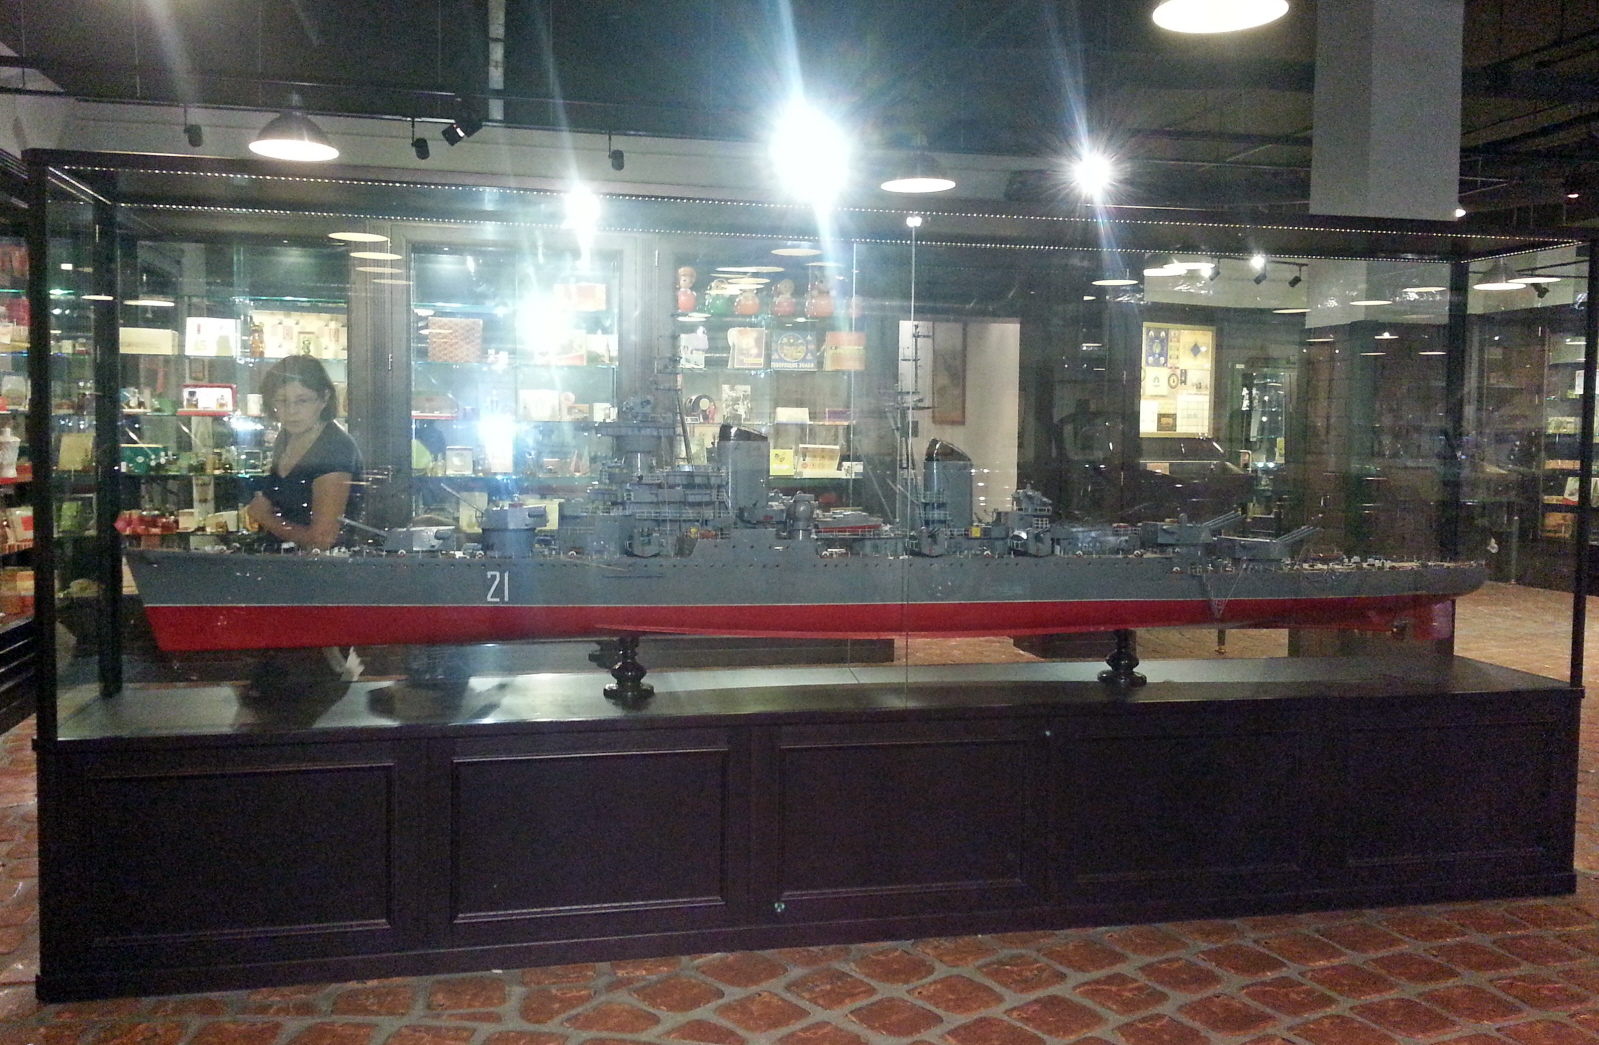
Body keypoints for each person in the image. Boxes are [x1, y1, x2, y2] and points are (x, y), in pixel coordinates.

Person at [246, 355, 360, 551]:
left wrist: (265, 518)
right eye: (282, 400)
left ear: (324, 398)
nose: (291, 411)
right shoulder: (286, 436)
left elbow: (323, 539)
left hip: (323, 566)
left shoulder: (335, 448)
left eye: (303, 400)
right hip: (287, 559)